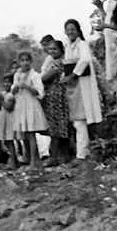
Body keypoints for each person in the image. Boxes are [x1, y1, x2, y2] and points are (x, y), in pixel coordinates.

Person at [63, 18, 102, 160]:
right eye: (68, 30)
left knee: (81, 120)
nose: (70, 32)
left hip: (82, 83)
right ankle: (83, 152)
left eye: (72, 29)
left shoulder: (82, 44)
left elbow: (85, 60)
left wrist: (73, 75)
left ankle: (82, 153)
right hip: (73, 86)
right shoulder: (68, 47)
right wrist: (65, 77)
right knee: (78, 121)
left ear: (78, 30)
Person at [10, 50, 47, 171]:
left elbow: (39, 92)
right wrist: (15, 87)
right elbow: (13, 91)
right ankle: (27, 157)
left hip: (31, 105)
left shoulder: (35, 75)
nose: (25, 63)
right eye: (22, 60)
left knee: (31, 133)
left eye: (27, 60)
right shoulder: (17, 74)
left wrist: (27, 87)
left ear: (31, 62)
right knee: (24, 133)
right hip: (21, 105)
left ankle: (33, 161)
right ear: (19, 62)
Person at [39, 36, 73, 165]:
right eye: (50, 49)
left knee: (56, 127)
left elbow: (43, 79)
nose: (51, 51)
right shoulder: (59, 61)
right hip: (56, 96)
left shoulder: (58, 63)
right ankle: (64, 156)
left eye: (54, 49)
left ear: (60, 50)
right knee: (62, 126)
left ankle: (54, 157)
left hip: (57, 97)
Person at [0, 80, 17, 169]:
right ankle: (14, 161)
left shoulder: (12, 95)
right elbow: (0, 107)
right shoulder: (3, 93)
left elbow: (9, 108)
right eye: (5, 83)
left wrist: (1, 100)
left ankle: (14, 162)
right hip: (3, 118)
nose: (6, 84)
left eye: (8, 82)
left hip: (10, 120)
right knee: (6, 141)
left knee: (10, 141)